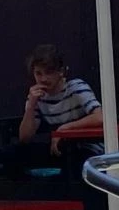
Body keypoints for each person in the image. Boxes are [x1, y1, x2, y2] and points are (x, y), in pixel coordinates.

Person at [17, 44, 103, 176]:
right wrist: (30, 107)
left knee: (75, 161)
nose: (43, 79)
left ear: (61, 71)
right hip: (59, 148)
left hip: (87, 147)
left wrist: (65, 129)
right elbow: (24, 137)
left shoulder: (76, 87)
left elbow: (100, 117)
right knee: (12, 154)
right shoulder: (37, 96)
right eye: (38, 73)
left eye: (49, 72)